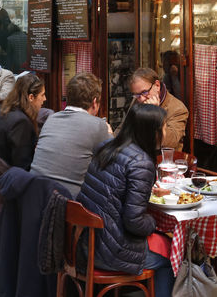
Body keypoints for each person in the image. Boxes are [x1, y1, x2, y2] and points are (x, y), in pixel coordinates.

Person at [77, 104, 174, 297]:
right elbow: (134, 222)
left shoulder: (106, 147)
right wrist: (156, 224)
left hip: (84, 244)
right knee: (172, 258)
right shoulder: (141, 163)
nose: (165, 132)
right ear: (151, 132)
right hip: (110, 252)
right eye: (163, 127)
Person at [30, 73, 112, 198]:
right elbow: (116, 158)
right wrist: (110, 133)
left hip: (34, 195)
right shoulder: (98, 125)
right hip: (68, 204)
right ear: (95, 102)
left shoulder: (51, 119)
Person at [0, 73, 46, 170]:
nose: (45, 99)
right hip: (10, 178)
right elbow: (22, 164)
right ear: (31, 97)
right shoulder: (21, 122)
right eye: (43, 95)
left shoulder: (4, 111)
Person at [129, 67, 189, 151]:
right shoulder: (137, 100)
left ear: (157, 85)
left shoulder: (177, 108)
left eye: (145, 92)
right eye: (137, 95)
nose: (142, 99)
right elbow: (124, 128)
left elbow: (171, 143)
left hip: (161, 159)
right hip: (136, 154)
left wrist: (156, 114)